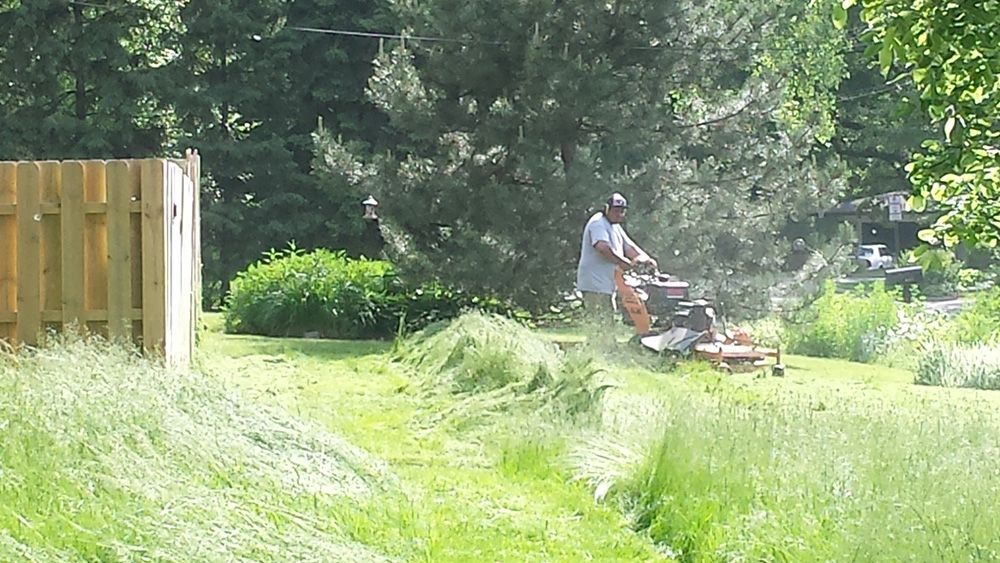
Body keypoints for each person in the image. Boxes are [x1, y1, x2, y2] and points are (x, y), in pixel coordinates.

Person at [576, 192, 657, 327]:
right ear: (607, 208)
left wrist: (647, 260)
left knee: (608, 321)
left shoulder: (615, 227)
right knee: (601, 324)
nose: (618, 214)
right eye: (615, 211)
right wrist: (622, 262)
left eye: (621, 211)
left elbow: (629, 247)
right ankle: (599, 346)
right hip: (595, 284)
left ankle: (604, 346)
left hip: (606, 285)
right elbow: (602, 247)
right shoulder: (598, 223)